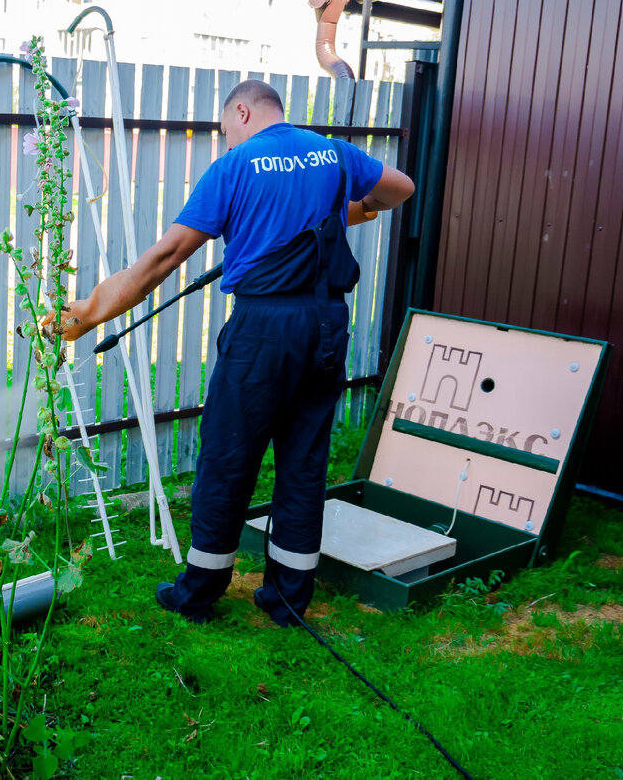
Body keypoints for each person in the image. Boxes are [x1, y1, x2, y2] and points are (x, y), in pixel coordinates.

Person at [51, 79, 414, 626]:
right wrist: (355, 209)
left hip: (263, 328)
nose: (226, 142)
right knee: (304, 460)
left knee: (228, 456)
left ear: (241, 111)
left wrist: (92, 312)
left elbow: (165, 256)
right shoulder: (335, 154)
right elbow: (400, 189)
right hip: (326, 323)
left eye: (226, 131)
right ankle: (288, 599)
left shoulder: (236, 166)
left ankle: (198, 594)